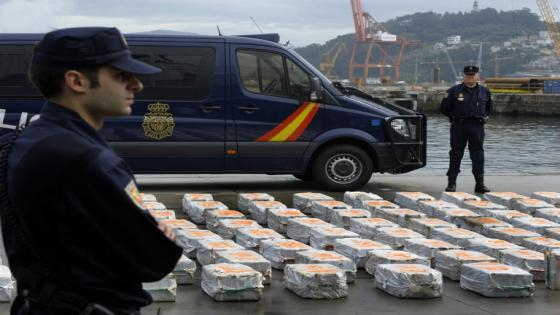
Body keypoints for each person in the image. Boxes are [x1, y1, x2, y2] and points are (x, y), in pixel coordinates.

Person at [0, 27, 183, 315]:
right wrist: (162, 234)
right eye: (122, 76)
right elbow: (156, 259)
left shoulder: (18, 142)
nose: (137, 85)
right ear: (77, 81)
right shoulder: (90, 160)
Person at [439, 65, 493, 194]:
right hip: (459, 126)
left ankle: (480, 184)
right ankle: (451, 183)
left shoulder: (484, 92)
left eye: (473, 75)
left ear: (477, 76)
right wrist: (454, 117)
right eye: (468, 75)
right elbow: (444, 108)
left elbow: (489, 109)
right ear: (464, 76)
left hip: (477, 127)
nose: (470, 77)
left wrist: (484, 117)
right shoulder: (454, 91)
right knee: (456, 154)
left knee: (478, 155)